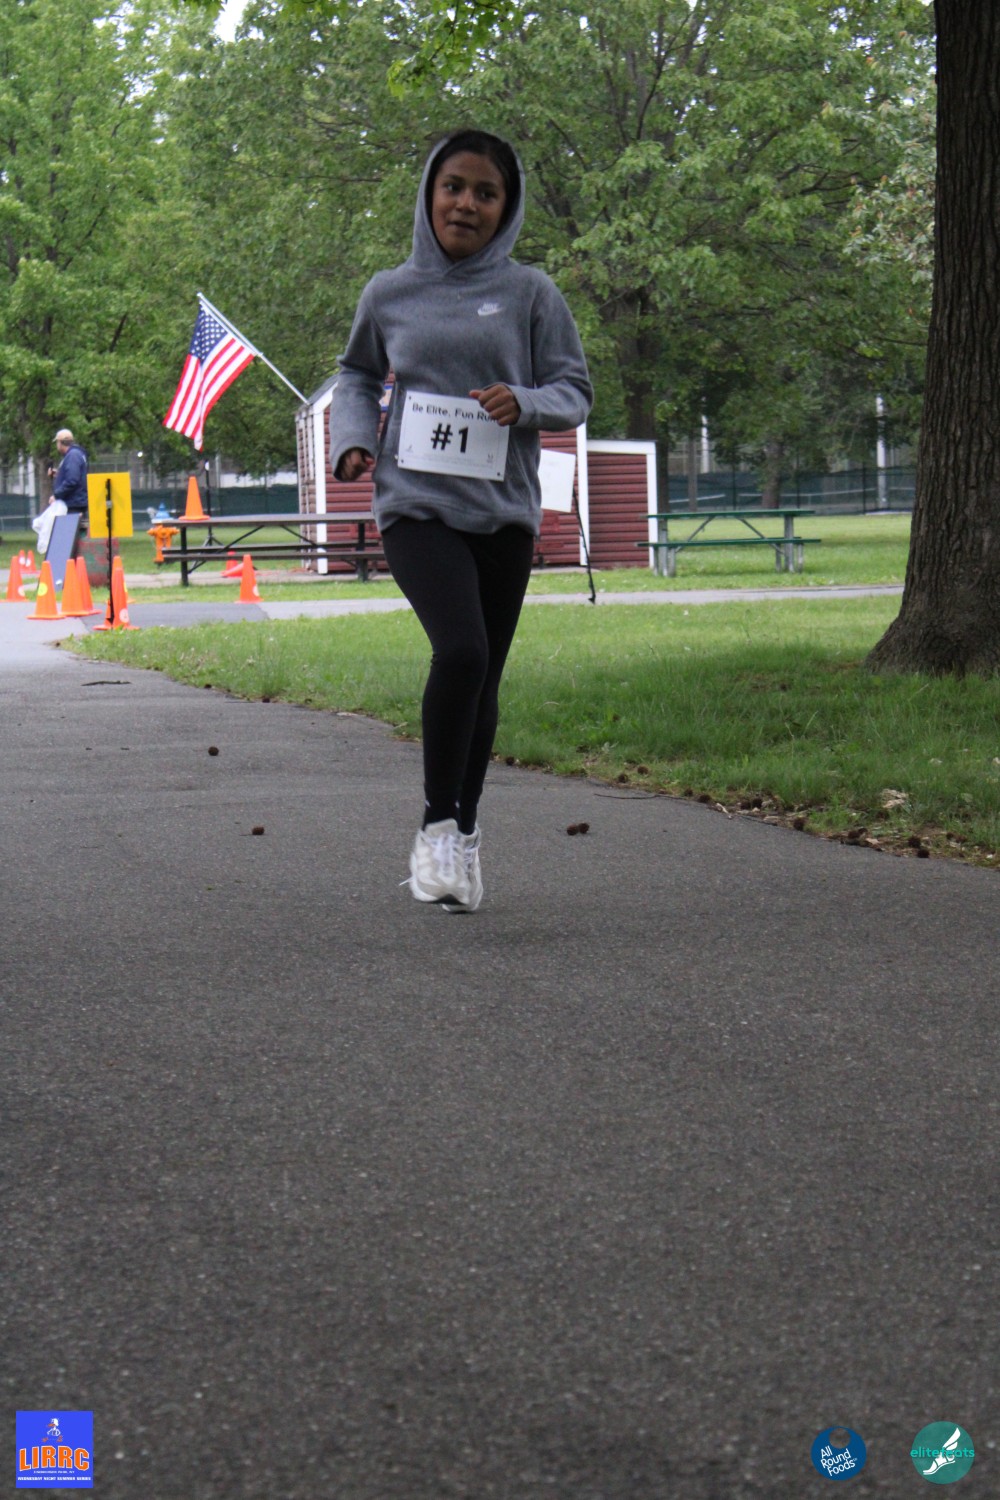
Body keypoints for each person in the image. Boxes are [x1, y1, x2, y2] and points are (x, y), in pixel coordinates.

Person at [329, 128, 593, 913]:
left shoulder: (531, 293)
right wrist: (352, 439)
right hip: (415, 503)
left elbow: (574, 389)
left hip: (503, 509)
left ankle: (464, 835)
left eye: (486, 193)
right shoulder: (389, 292)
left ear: (507, 208)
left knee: (484, 678)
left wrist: (526, 403)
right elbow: (357, 373)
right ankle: (436, 826)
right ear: (429, 192)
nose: (466, 204)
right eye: (453, 187)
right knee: (463, 650)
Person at [48, 429, 89, 549]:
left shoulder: (73, 456)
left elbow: (72, 481)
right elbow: (74, 476)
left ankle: (72, 560)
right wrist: (59, 474)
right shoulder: (75, 454)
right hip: (74, 503)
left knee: (70, 542)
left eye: (57, 442)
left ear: (61, 442)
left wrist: (56, 495)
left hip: (73, 505)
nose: (57, 445)